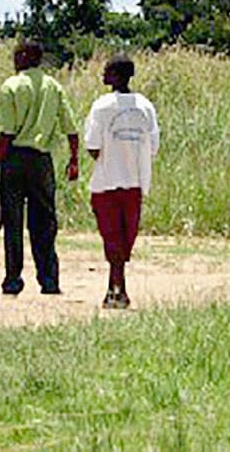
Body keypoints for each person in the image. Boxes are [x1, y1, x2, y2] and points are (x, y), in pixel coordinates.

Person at [0, 38, 80, 296]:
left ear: (26, 56)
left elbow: (6, 133)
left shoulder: (11, 86)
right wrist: (74, 160)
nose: (14, 59)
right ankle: (49, 280)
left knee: (13, 222)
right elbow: (71, 129)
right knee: (44, 223)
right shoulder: (53, 87)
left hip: (14, 159)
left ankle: (13, 279)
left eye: (17, 55)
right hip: (41, 162)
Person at [84, 53, 159, 309]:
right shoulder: (145, 106)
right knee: (125, 237)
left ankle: (115, 288)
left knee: (112, 237)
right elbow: (152, 146)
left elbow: (92, 146)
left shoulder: (102, 106)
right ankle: (118, 287)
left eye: (107, 71)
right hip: (134, 181)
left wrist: (111, 152)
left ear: (116, 76)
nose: (103, 75)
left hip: (106, 181)